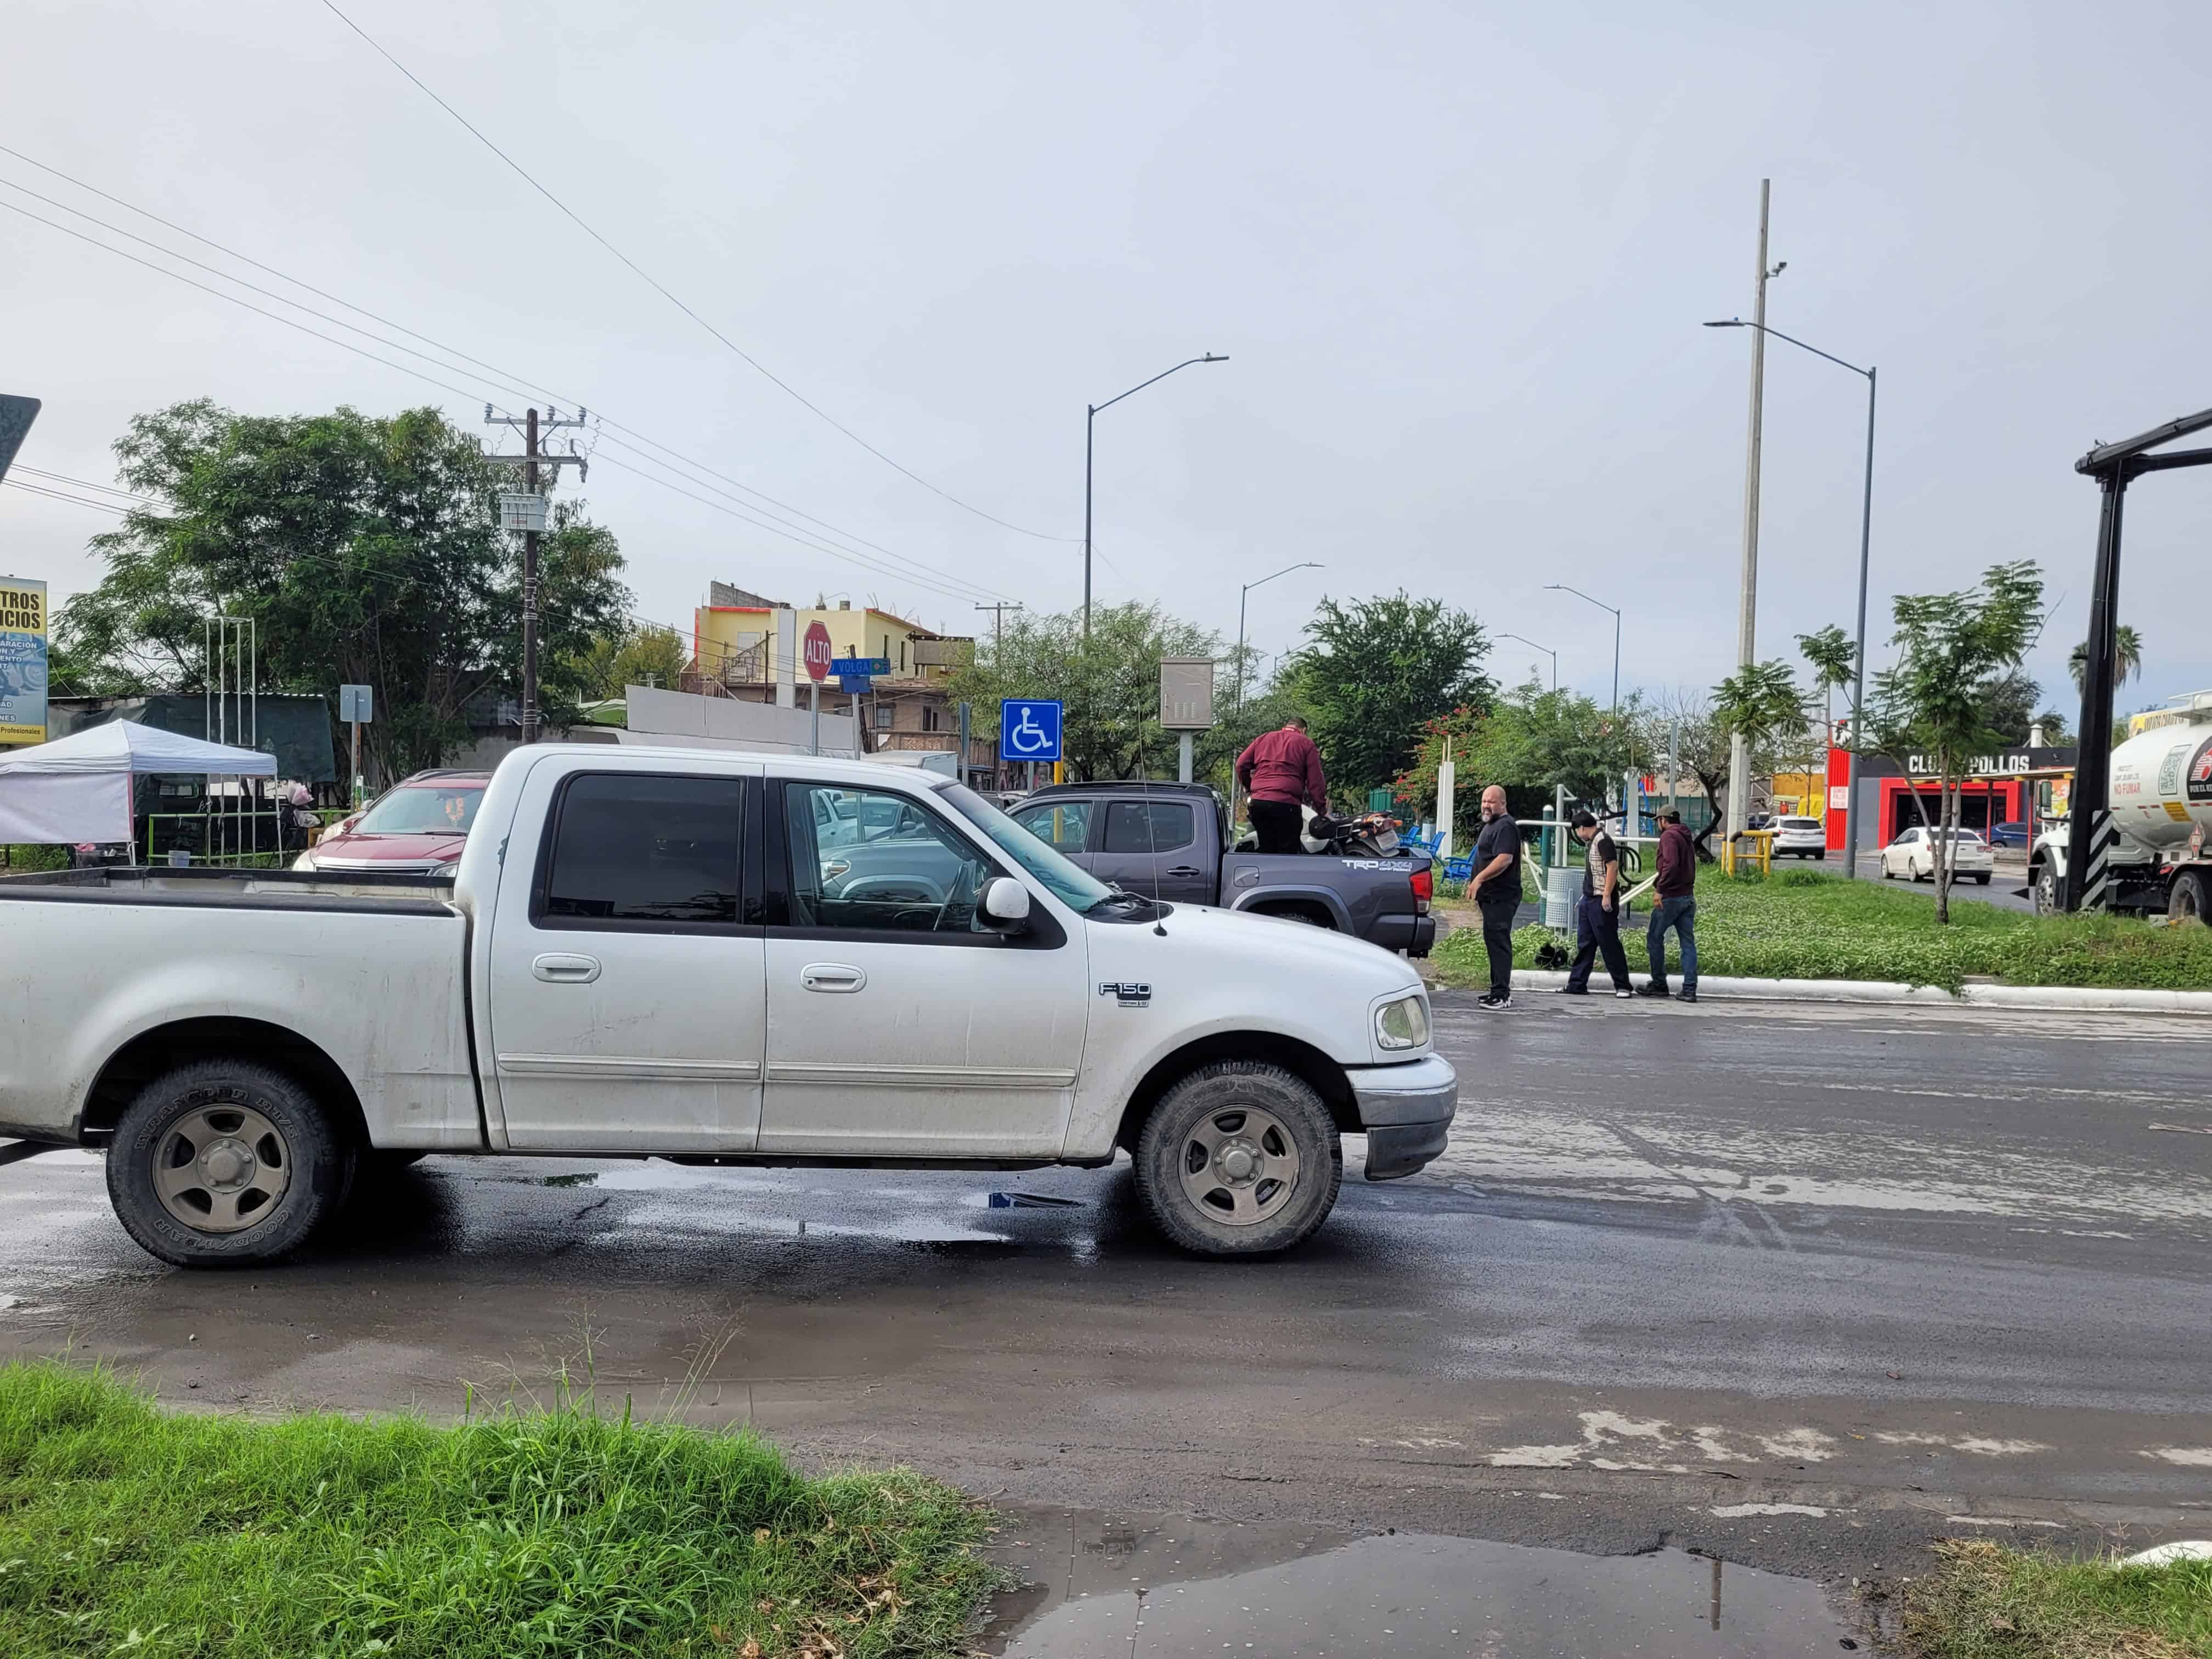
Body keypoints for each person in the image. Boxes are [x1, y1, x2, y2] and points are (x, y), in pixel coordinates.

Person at [1560, 810, 1632, 998]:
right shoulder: (1593, 842)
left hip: (1601, 900)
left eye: (1577, 831)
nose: (1577, 835)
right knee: (1585, 943)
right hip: (1590, 899)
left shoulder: (1603, 840)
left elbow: (1612, 867)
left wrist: (1607, 895)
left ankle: (1623, 985)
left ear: (1582, 828)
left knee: (1609, 943)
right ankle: (1577, 984)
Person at [1235, 715, 1327, 855]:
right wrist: (1321, 810)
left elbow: (1241, 765)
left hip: (1259, 804)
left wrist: (1250, 788)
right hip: (1287, 805)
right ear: (1304, 730)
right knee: (1287, 852)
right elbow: (1316, 782)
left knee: (1266, 847)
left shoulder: (1263, 739)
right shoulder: (1306, 744)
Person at [1466, 785, 1521, 1009]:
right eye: (1484, 801)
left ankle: (1502, 994)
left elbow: (1504, 859)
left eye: (1491, 801)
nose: (1486, 805)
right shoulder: (1492, 825)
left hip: (1501, 896)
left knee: (1499, 944)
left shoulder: (1506, 826)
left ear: (1503, 803)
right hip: (1490, 898)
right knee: (1493, 942)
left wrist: (1479, 879)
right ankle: (1496, 991)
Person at [1641, 808, 1698, 1002]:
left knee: (1654, 939)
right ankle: (1689, 989)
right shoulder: (1685, 835)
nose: (1659, 824)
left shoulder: (1668, 836)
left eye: (1659, 821)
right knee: (1688, 945)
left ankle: (1659, 984)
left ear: (1663, 820)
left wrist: (1660, 889)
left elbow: (1671, 864)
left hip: (1671, 897)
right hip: (1687, 897)